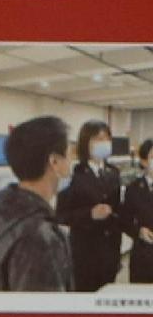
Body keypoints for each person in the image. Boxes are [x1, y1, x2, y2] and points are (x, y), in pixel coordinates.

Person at [0, 118, 74, 292]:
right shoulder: (40, 238)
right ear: (54, 162)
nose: (71, 161)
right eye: (70, 154)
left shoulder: (3, 218)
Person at [52, 117, 124, 293]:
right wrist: (89, 214)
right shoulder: (72, 175)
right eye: (98, 139)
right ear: (86, 143)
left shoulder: (113, 172)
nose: (104, 143)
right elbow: (61, 215)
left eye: (107, 138)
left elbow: (118, 208)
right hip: (85, 252)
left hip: (111, 250)